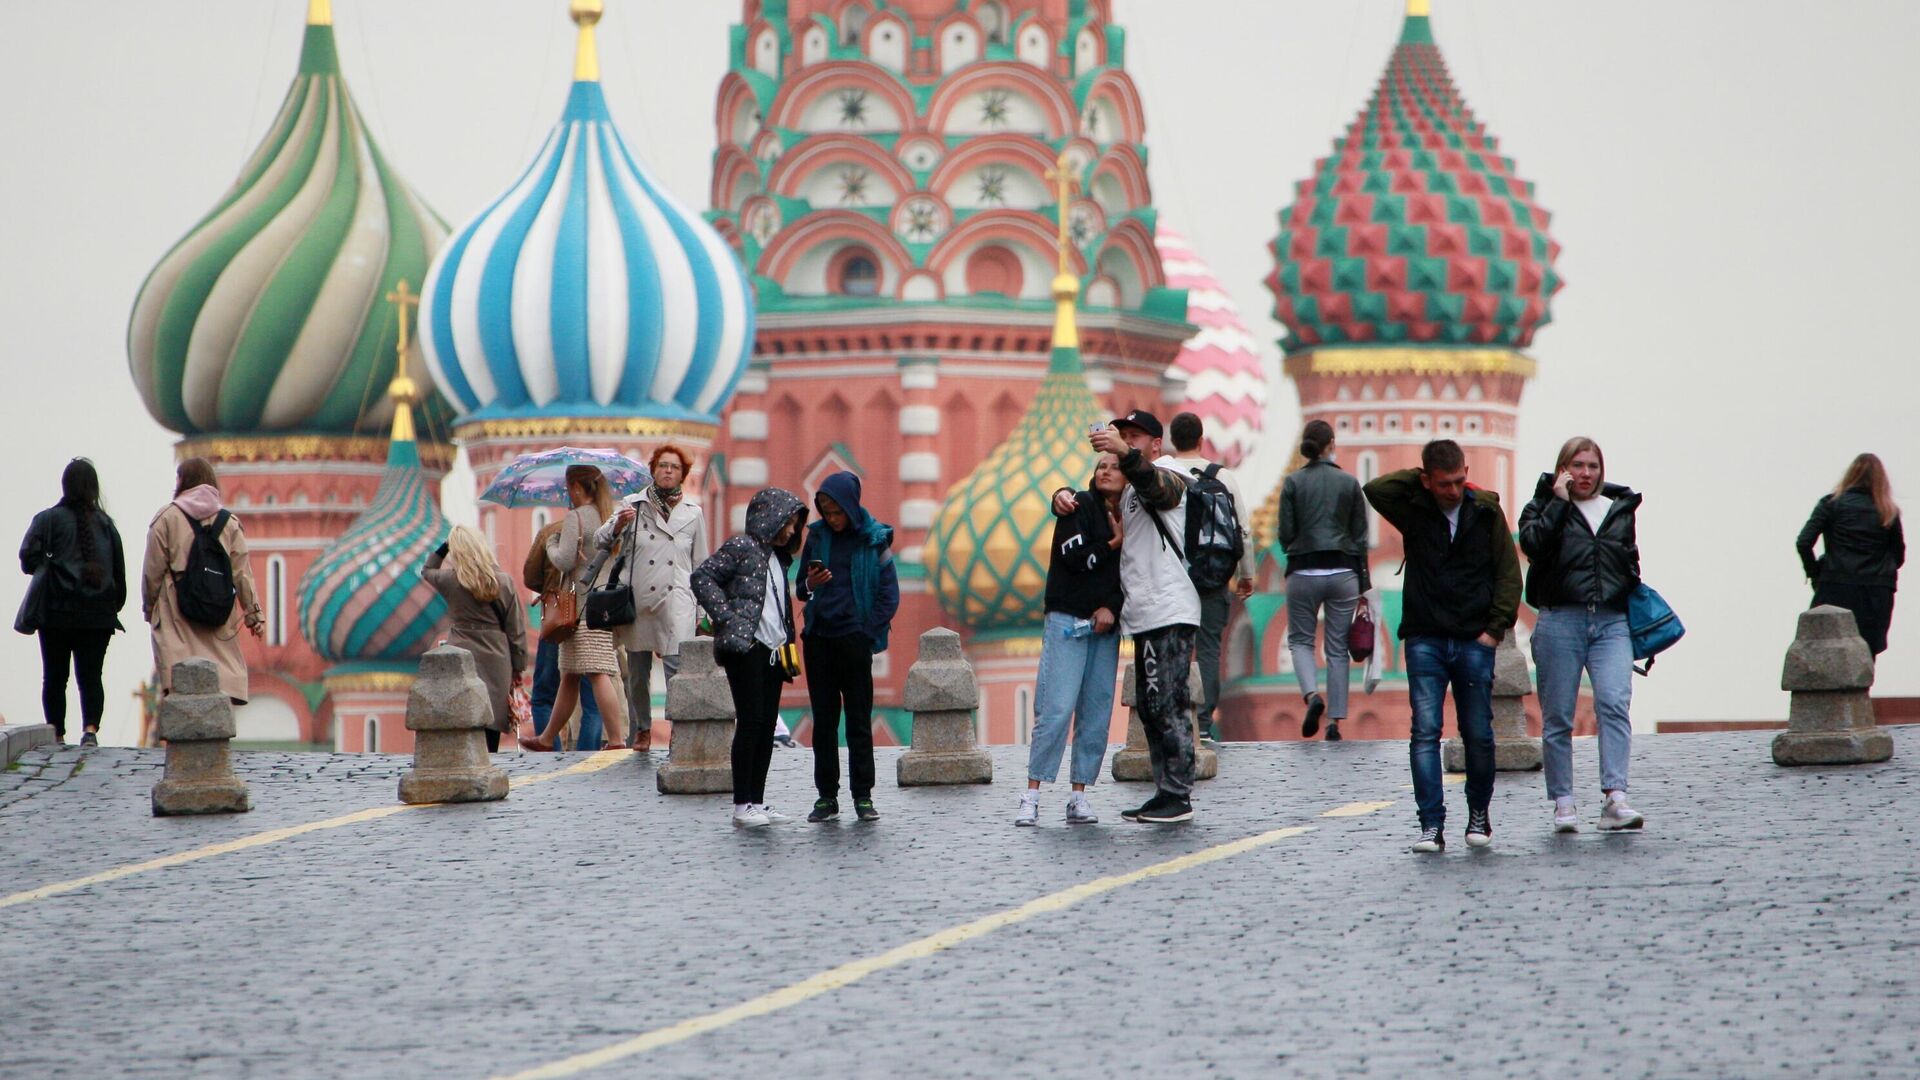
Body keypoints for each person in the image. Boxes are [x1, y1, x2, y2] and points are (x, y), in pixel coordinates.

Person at [1363, 439, 1521, 854]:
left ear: (1467, 472)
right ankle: (1431, 826)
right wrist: (1417, 484)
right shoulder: (1413, 510)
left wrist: (1493, 631)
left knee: (1479, 735)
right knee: (1424, 734)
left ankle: (1478, 818)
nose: (1453, 490)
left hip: (1473, 640)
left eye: (1460, 480)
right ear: (1426, 481)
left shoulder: (1486, 513)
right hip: (1425, 639)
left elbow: (1508, 575)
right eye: (1444, 483)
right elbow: (1376, 489)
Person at [1052, 409, 1201, 824]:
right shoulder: (1132, 489)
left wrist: (1125, 453)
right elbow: (1097, 499)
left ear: (1156, 445)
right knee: (1152, 704)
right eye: (1123, 435)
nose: (1128, 442)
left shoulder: (1171, 473)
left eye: (1136, 437)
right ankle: (1164, 790)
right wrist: (1062, 495)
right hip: (1145, 614)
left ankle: (1178, 795)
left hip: (1169, 609)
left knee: (1168, 703)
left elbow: (1162, 490)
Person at [1518, 437, 1644, 833]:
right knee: (1557, 716)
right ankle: (1564, 803)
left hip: (1610, 621)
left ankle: (1615, 798)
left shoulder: (1618, 508)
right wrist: (1558, 501)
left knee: (1613, 702)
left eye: (1592, 465)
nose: (1585, 473)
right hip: (1560, 620)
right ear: (1563, 469)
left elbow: (1628, 559)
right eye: (1577, 465)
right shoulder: (1541, 506)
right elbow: (1533, 544)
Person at [1019, 452, 1126, 826]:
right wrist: (1113, 543)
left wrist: (1111, 608)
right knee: (1057, 708)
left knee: (1096, 712)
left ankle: (1078, 795)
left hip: (1105, 626)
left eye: (1115, 466)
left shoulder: (1134, 515)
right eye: (1101, 466)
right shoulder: (1078, 505)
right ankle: (1031, 794)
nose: (1106, 471)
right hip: (1067, 617)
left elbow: (1130, 575)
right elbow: (1076, 559)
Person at [692, 487, 808, 828]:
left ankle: (756, 801)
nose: (790, 531)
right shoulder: (742, 547)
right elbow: (702, 576)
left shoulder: (778, 558)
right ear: (768, 517)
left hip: (774, 650)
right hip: (746, 648)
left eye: (794, 525)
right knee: (751, 722)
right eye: (787, 523)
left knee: (767, 725)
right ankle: (742, 804)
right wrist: (725, 617)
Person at [795, 472, 900, 824]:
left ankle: (863, 796)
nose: (832, 519)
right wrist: (811, 583)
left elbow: (889, 593)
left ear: (850, 507)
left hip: (854, 641)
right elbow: (799, 588)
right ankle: (826, 797)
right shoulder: (817, 537)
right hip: (819, 640)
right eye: (825, 511)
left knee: (858, 720)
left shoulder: (874, 539)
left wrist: (867, 633)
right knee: (824, 721)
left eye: (837, 512)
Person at [596, 444, 709, 752]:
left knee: (677, 671)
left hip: (678, 602)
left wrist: (701, 611)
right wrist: (618, 523)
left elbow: (701, 565)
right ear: (653, 470)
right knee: (637, 674)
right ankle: (642, 729)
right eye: (662, 465)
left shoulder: (693, 514)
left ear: (683, 474)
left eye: (674, 466)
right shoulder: (633, 505)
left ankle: (678, 729)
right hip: (640, 600)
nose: (668, 470)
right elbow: (600, 540)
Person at [1159, 412, 1254, 741]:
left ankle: (1174, 718)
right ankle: (1204, 724)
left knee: (1174, 648)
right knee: (1209, 648)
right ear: (1201, 440)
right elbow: (1242, 529)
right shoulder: (1222, 476)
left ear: (1173, 440)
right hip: (1213, 577)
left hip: (1171, 577)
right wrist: (1247, 574)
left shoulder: (1162, 472)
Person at [141, 458, 263, 714]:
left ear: (183, 481)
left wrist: (149, 605)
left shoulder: (166, 518)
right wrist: (253, 615)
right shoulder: (230, 523)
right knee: (218, 677)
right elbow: (242, 573)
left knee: (180, 678)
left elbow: (152, 570)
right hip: (218, 611)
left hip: (177, 613)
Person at [19, 458, 127, 746]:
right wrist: (110, 607)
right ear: (94, 487)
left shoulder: (47, 520)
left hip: (55, 613)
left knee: (54, 676)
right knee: (91, 676)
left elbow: (27, 560)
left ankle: (57, 733)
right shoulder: (107, 525)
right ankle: (90, 729)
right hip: (98, 616)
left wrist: (49, 566)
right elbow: (120, 577)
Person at [522, 466, 628, 752]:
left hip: (580, 609)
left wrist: (552, 544)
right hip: (600, 605)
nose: (568, 494)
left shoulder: (577, 517)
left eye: (569, 488)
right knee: (569, 675)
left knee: (597, 673)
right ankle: (546, 738)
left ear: (577, 488)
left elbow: (565, 561)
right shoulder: (608, 516)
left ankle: (617, 740)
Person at [1278, 420, 1369, 742]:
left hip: (1303, 570)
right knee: (1337, 649)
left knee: (1301, 641)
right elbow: (1360, 535)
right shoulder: (1349, 481)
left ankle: (1312, 697)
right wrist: (1363, 583)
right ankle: (1335, 723)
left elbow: (1285, 534)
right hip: (1343, 572)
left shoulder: (1292, 482)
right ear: (1331, 443)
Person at [425, 526, 530, 754]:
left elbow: (427, 570)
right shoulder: (503, 582)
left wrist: (444, 546)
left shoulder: (450, 580)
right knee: (491, 718)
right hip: (497, 658)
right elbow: (516, 629)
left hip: (461, 654)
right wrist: (518, 665)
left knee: (465, 713)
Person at [1797, 453, 1904, 656]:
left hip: (1835, 586)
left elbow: (1804, 542)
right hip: (1876, 593)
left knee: (1822, 652)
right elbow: (1898, 556)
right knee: (1865, 654)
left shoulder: (1831, 504)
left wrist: (1815, 573)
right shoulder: (1888, 512)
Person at [523, 518, 602, 750]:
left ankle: (550, 751)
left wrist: (551, 590)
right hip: (591, 618)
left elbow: (529, 576)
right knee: (591, 698)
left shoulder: (551, 531)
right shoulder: (605, 530)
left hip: (557, 621)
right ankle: (587, 756)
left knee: (543, 695)